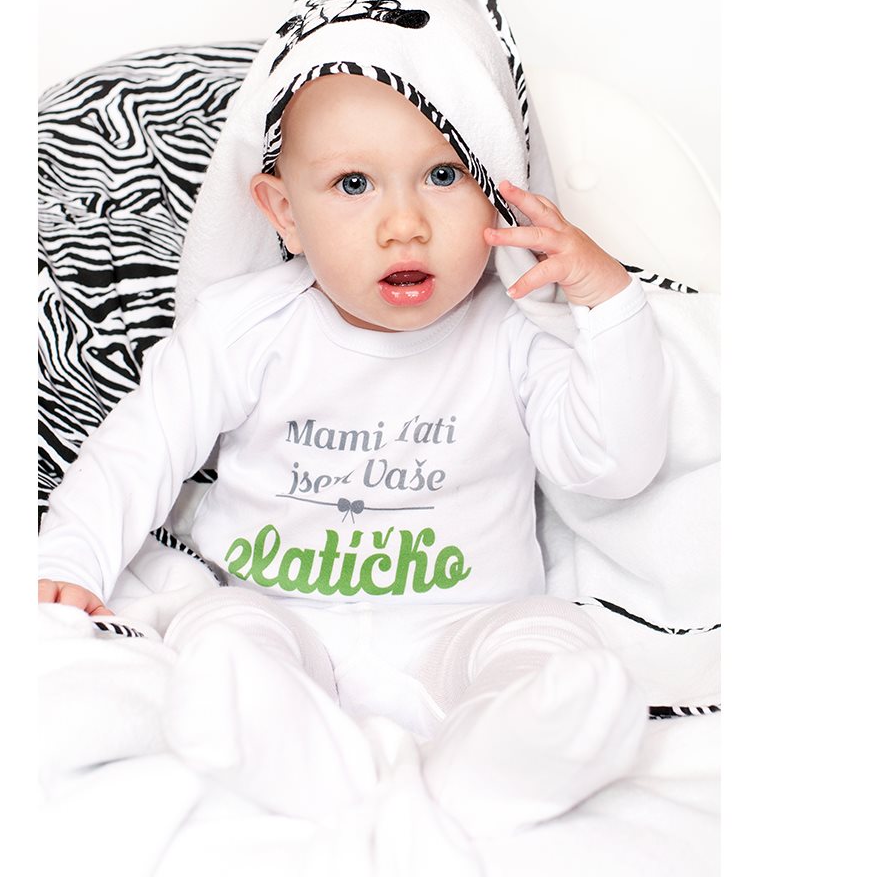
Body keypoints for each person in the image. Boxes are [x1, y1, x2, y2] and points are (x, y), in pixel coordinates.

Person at [38, 70, 670, 834]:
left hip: (464, 625)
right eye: (353, 184)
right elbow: (141, 449)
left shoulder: (516, 331)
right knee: (223, 632)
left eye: (444, 176)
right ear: (285, 213)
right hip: (282, 619)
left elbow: (614, 465)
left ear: (497, 193)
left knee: (550, 643)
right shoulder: (246, 327)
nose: (404, 225)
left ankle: (501, 760)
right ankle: (284, 746)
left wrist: (609, 304)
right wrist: (68, 563)